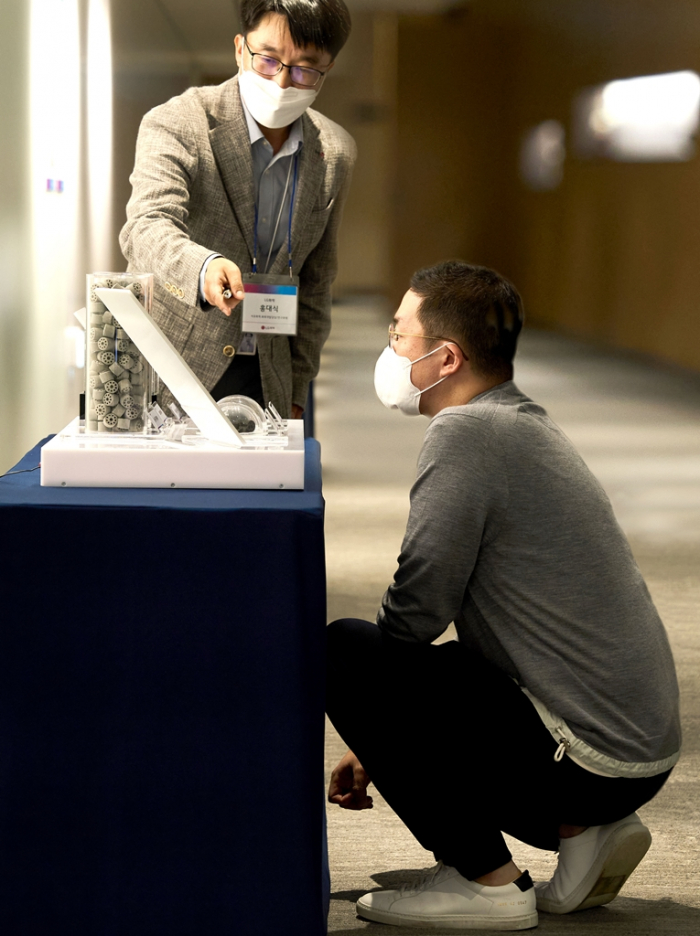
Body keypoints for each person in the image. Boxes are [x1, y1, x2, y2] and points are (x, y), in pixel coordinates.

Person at [326, 261, 681, 931]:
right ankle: (584, 832)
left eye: (399, 334)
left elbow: (414, 614)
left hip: (590, 759)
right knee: (449, 664)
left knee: (345, 651)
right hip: (635, 748)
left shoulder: (466, 435)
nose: (390, 348)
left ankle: (486, 882)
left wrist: (379, 725)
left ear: (446, 357)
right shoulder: (520, 423)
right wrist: (383, 740)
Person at [120, 0, 356, 418]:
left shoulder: (334, 152)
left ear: (328, 69)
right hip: (175, 363)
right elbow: (146, 226)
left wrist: (298, 388)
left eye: (305, 69)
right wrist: (203, 268)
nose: (282, 82)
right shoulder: (178, 122)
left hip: (270, 370)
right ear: (239, 49)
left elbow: (318, 280)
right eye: (268, 59)